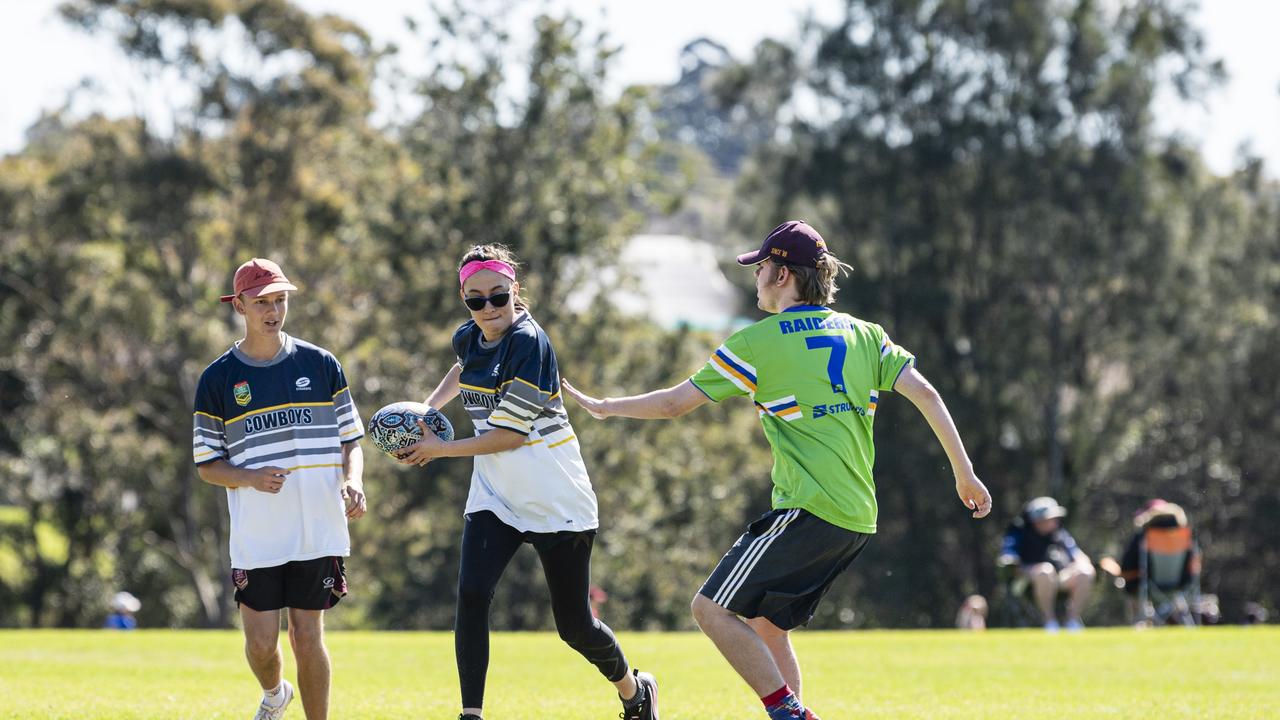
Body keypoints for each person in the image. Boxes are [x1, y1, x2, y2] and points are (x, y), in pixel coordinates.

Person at [561, 221, 992, 720]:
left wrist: (608, 406)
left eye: (762, 266)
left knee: (709, 609)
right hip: (856, 516)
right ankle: (791, 710)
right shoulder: (866, 334)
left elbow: (675, 405)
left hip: (809, 508)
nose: (757, 276)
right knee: (767, 626)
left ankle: (789, 712)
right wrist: (965, 474)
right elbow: (928, 394)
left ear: (783, 274)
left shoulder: (758, 343)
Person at [394, 244, 658, 720]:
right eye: (475, 300)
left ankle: (634, 691)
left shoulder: (529, 343)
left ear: (515, 290)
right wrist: (427, 411)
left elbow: (510, 437)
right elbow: (462, 368)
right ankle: (471, 714)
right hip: (496, 498)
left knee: (575, 627)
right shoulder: (469, 336)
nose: (489, 309)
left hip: (558, 499)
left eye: (498, 296)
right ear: (464, 299)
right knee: (472, 596)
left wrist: (438, 449)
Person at [192, 258, 368, 720]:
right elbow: (208, 466)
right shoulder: (218, 379)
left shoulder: (321, 363)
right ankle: (274, 693)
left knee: (308, 636)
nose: (273, 311)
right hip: (259, 534)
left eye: (280, 300)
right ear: (240, 306)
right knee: (261, 644)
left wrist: (353, 480)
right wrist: (249, 478)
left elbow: (352, 440)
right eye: (262, 302)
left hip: (317, 527)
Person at [998, 496, 1094, 632]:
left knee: (1085, 571)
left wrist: (1080, 564)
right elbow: (1008, 556)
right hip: (1027, 580)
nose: (1055, 521)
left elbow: (1078, 555)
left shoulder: (1060, 533)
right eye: (1051, 518)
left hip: (1060, 576)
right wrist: (1016, 565)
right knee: (1045, 571)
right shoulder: (1019, 533)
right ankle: (1049, 622)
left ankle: (1072, 621)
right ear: (1038, 521)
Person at [1101, 499, 1200, 625]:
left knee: (1133, 584)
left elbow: (1127, 569)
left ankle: (1141, 623)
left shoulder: (1143, 536)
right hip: (1180, 586)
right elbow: (1193, 568)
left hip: (1148, 586)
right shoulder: (1186, 537)